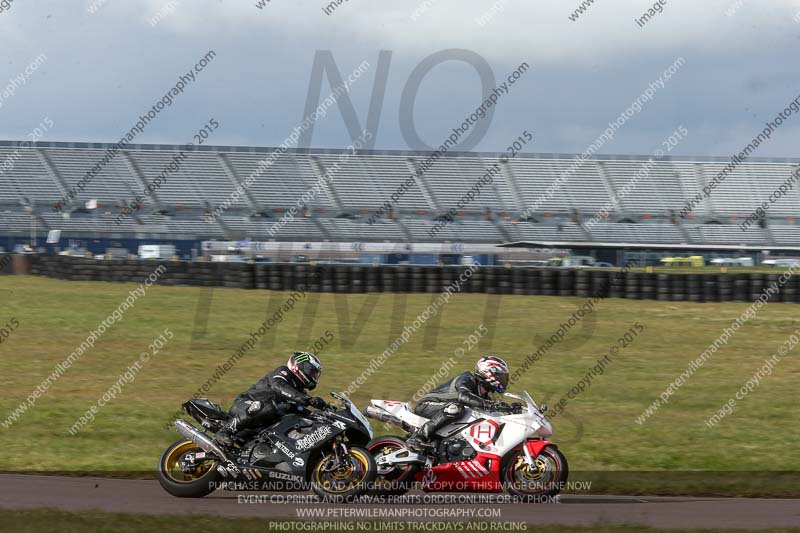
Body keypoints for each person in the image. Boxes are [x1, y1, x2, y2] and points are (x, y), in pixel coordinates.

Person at [213, 352, 326, 447]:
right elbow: (279, 387)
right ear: (299, 365)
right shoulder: (284, 372)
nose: (313, 376)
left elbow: (301, 411)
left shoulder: (301, 393)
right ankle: (224, 431)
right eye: (311, 371)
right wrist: (309, 400)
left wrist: (323, 413)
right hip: (245, 405)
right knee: (267, 407)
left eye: (315, 374)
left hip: (260, 423)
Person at [406, 355, 513, 452]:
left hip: (443, 409)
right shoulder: (467, 379)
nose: (504, 380)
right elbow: (464, 397)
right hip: (427, 405)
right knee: (456, 408)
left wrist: (509, 409)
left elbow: (488, 408)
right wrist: (492, 405)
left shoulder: (483, 396)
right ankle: (418, 437)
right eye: (500, 376)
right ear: (487, 372)